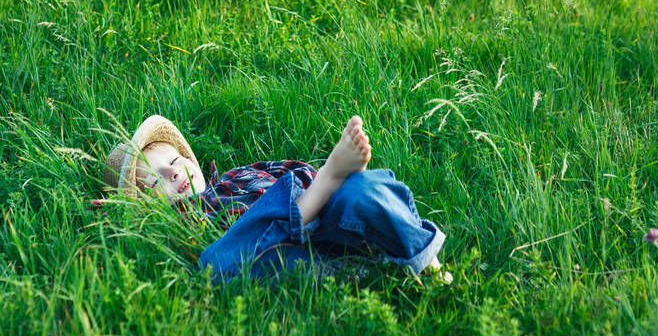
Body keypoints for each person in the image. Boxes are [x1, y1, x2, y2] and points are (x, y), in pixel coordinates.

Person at [103, 113, 451, 283]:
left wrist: (328, 185)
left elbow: (293, 173)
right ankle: (364, 269)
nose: (174, 173)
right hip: (284, 253)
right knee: (214, 262)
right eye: (155, 183)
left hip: (324, 217)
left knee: (364, 190)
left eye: (175, 162)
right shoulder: (188, 222)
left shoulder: (236, 176)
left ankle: (429, 266)